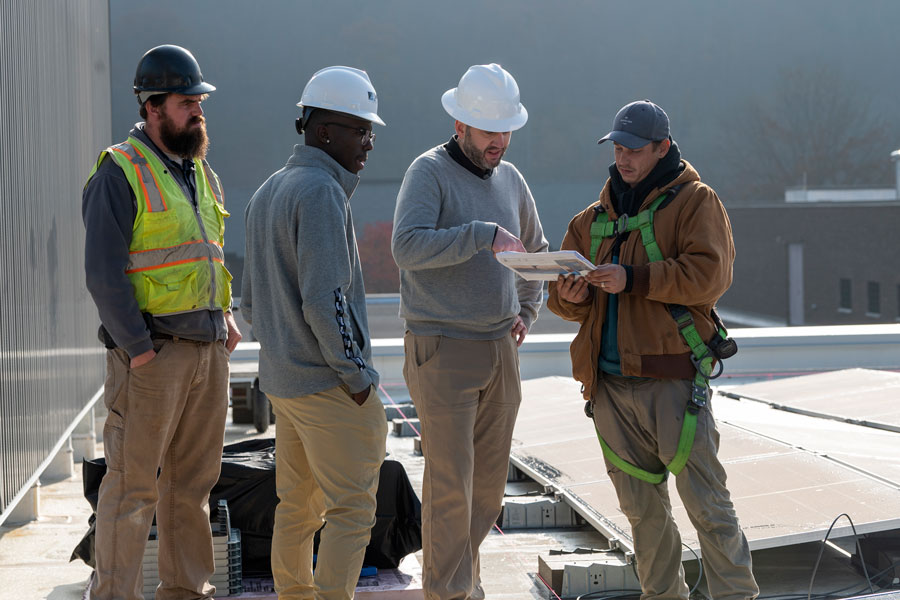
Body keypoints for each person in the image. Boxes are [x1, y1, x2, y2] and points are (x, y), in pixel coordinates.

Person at [548, 100, 759, 600]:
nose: (623, 158)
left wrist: (633, 278)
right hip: (608, 386)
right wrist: (569, 296)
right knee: (642, 515)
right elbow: (565, 302)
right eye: (618, 147)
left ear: (662, 148)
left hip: (674, 383)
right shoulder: (591, 219)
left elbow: (711, 276)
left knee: (708, 506)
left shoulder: (696, 202)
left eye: (634, 149)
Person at [82, 44, 240, 600]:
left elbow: (208, 255)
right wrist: (138, 348)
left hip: (206, 351)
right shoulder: (120, 171)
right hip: (153, 356)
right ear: (152, 107)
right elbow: (103, 274)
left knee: (191, 489)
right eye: (186, 101)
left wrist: (226, 317)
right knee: (131, 489)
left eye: (199, 100)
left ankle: (185, 591)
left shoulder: (201, 172)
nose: (198, 109)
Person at [391, 63, 548, 600]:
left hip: (500, 347)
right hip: (442, 348)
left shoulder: (512, 180)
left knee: (486, 495)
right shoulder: (428, 173)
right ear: (460, 125)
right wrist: (480, 235)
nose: (499, 141)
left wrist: (527, 311)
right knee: (450, 490)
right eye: (489, 131)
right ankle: (451, 594)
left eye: (506, 130)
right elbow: (406, 247)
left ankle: (466, 585)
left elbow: (533, 251)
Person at [241, 66, 388, 600]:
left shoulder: (269, 190)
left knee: (297, 508)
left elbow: (251, 302)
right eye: (360, 129)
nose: (369, 142)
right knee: (352, 510)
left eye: (371, 130)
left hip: (283, 382)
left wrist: (286, 354)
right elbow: (326, 301)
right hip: (329, 385)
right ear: (323, 131)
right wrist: (357, 377)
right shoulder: (322, 192)